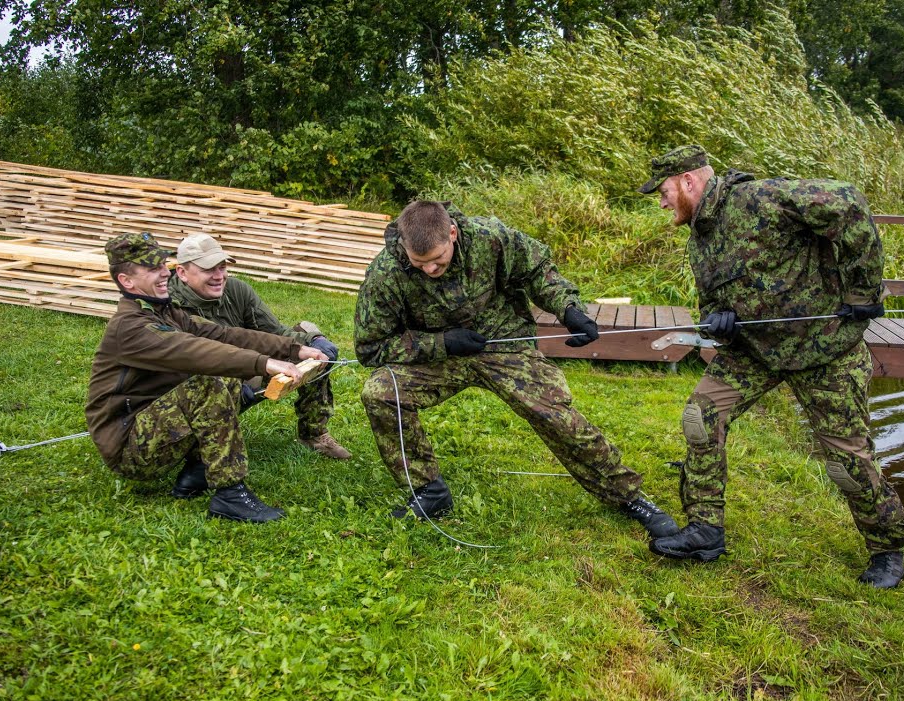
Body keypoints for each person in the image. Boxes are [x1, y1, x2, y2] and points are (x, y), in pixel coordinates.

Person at [636, 144, 904, 588]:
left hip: (825, 350)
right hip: (756, 352)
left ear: (689, 181)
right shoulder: (701, 239)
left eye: (664, 190)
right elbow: (715, 305)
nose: (662, 200)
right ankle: (706, 529)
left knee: (846, 459)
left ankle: (887, 548)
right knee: (700, 417)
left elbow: (848, 202)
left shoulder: (761, 197)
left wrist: (864, 293)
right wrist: (720, 325)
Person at [353, 199, 680, 538]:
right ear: (404, 247)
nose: (430, 270)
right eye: (420, 263)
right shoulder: (386, 273)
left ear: (452, 233)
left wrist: (569, 310)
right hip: (437, 356)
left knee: (555, 416)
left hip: (503, 343)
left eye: (438, 260)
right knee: (380, 393)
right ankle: (428, 491)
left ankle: (627, 495)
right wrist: (443, 343)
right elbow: (370, 346)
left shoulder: (488, 238)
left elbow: (537, 269)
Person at [85, 232, 331, 522]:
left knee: (217, 378)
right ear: (127, 281)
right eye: (153, 269)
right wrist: (265, 364)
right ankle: (229, 495)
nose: (165, 273)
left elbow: (222, 334)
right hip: (129, 447)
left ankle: (197, 472)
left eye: (164, 264)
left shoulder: (163, 311)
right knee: (207, 381)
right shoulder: (130, 326)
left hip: (156, 426)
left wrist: (295, 348)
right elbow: (197, 350)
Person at [167, 232, 352, 460]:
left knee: (311, 344)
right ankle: (201, 453)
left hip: (250, 366)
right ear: (182, 273)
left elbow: (272, 332)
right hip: (199, 383)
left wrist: (311, 341)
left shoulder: (237, 290)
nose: (219, 276)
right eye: (208, 269)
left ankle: (313, 433)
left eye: (222, 267)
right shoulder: (170, 308)